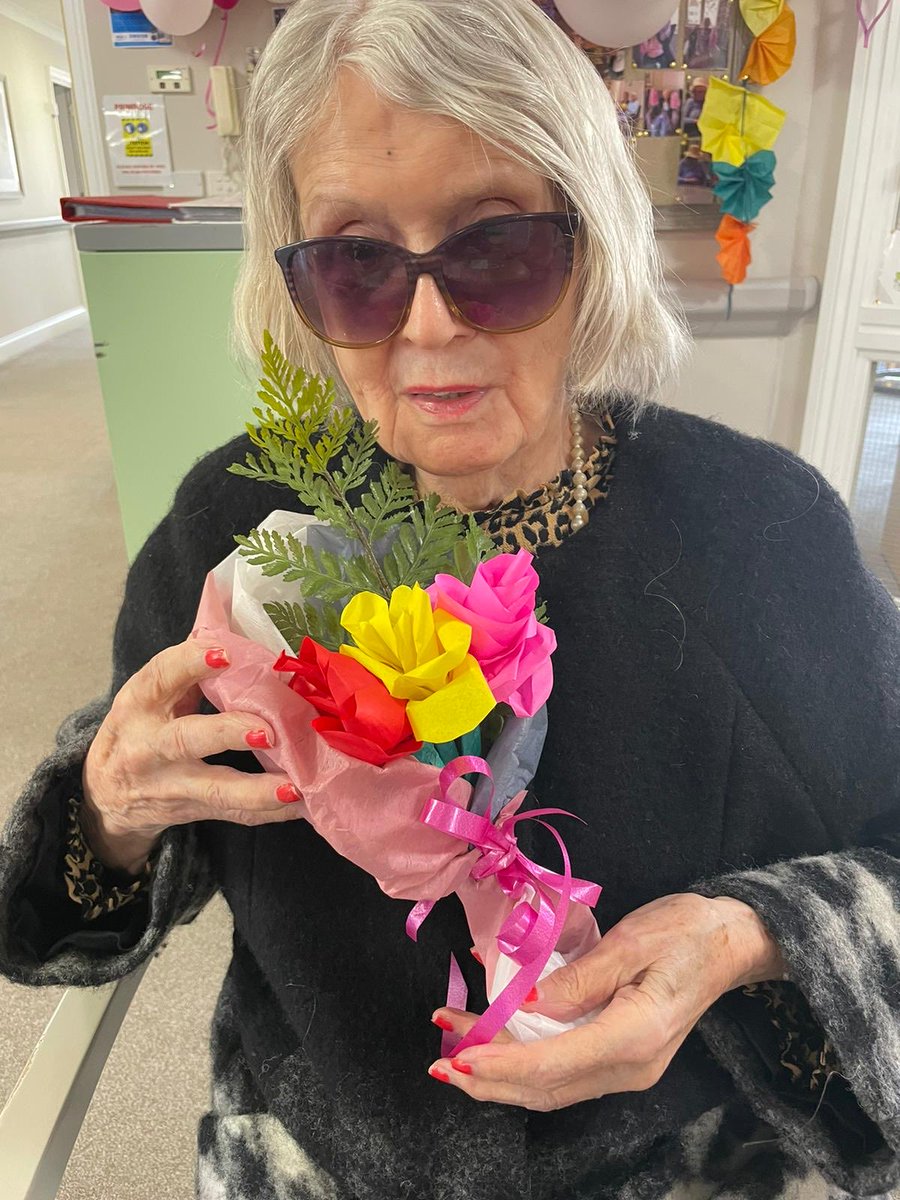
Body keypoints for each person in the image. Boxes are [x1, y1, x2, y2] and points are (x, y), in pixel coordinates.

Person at [2, 1, 899, 1197]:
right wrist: (109, 813)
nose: (429, 326)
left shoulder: (766, 530)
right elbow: (60, 918)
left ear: (590, 247)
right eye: (357, 262)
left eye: (494, 247)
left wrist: (744, 940)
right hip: (324, 1160)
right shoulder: (234, 530)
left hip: (685, 1161)